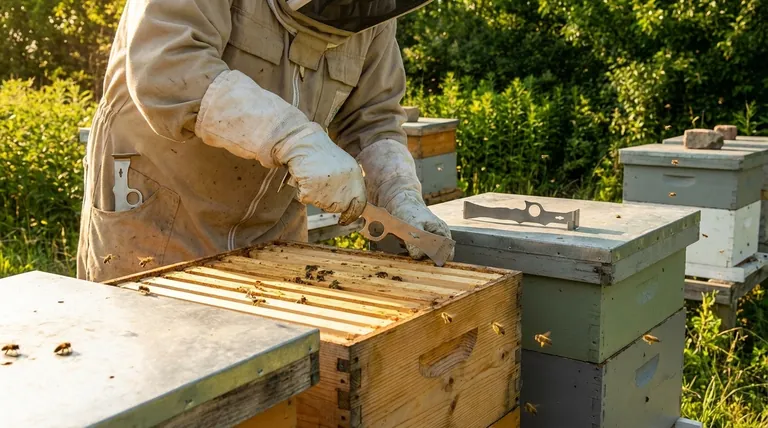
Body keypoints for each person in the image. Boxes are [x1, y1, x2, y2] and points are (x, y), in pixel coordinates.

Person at [76, 0, 452, 282]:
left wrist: (398, 192)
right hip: (160, 219)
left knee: (272, 371)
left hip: (274, 231)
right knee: (157, 366)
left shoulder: (373, 14)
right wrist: (291, 137)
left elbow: (372, 117)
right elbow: (168, 67)